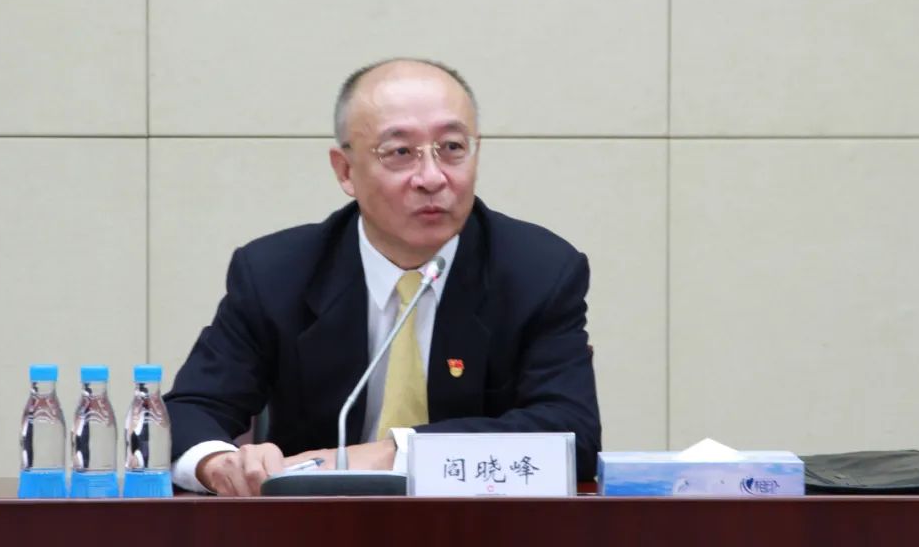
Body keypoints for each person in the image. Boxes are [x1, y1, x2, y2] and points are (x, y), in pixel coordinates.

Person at [165, 58, 601, 496]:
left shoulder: (538, 271)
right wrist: (219, 464)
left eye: (452, 147)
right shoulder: (277, 273)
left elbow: (571, 435)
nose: (431, 178)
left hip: (483, 527)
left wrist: (392, 453)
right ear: (345, 171)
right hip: (316, 527)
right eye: (400, 152)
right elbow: (190, 411)